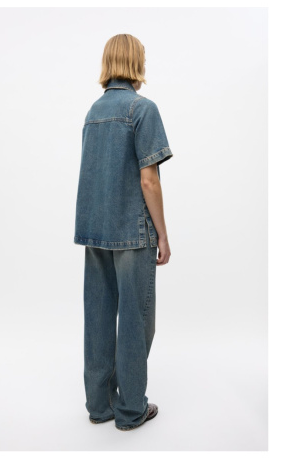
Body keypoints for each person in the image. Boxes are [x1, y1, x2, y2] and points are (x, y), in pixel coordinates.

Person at [74, 33, 173, 431]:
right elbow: (148, 180)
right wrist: (162, 234)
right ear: (136, 63)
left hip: (95, 229)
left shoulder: (93, 111)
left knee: (98, 317)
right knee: (136, 319)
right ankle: (131, 409)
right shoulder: (142, 109)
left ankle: (100, 406)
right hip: (132, 232)